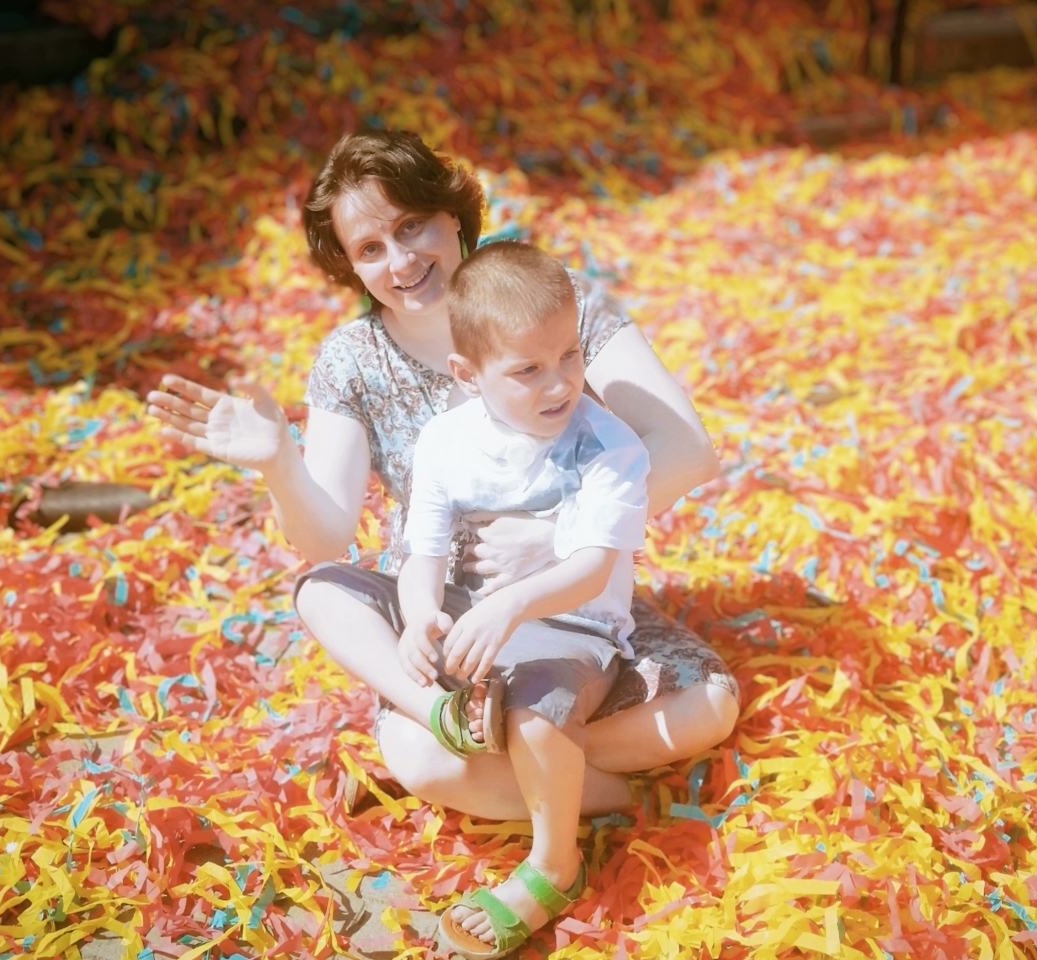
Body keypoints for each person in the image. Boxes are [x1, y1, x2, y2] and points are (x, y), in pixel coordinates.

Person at [146, 128, 738, 824]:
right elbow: (326, 540)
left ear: (452, 214)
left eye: (411, 226)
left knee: (710, 707)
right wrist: (279, 462)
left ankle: (516, 773)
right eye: (371, 249)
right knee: (346, 625)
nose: (401, 262)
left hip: (572, 604)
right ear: (351, 266)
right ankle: (471, 731)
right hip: (443, 618)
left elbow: (687, 447)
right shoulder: (352, 360)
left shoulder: (548, 299)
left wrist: (555, 538)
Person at [396, 240, 650, 957]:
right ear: (467, 374)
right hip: (475, 612)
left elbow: (593, 571)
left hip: (571, 623)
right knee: (330, 594)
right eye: (528, 369)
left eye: (569, 354)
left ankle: (554, 864)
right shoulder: (444, 441)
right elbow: (425, 553)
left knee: (537, 705)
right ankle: (459, 713)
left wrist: (506, 608)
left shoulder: (608, 445)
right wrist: (419, 615)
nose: (559, 383)